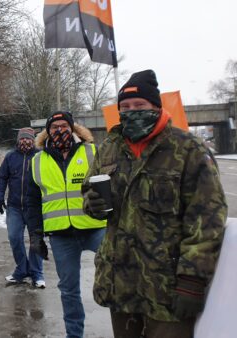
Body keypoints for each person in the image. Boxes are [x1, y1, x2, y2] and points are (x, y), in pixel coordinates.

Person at [83, 70, 226, 338]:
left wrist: (192, 280)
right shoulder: (110, 148)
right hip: (120, 284)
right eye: (124, 107)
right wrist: (92, 204)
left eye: (140, 106)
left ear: (156, 107)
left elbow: (207, 219)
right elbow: (89, 195)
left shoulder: (188, 150)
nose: (131, 112)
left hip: (167, 288)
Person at [26, 111, 107, 338]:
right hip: (61, 235)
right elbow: (32, 202)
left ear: (72, 129)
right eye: (53, 127)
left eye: (63, 126)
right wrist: (35, 235)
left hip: (96, 227)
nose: (58, 130)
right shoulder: (37, 160)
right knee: (69, 290)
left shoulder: (92, 152)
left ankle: (128, 325)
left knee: (117, 274)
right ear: (47, 132)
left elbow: (110, 187)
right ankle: (74, 334)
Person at [0, 127, 45, 288]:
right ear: (18, 140)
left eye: (28, 138)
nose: (25, 141)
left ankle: (37, 273)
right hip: (14, 207)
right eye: (22, 139)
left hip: (35, 206)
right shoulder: (10, 156)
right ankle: (21, 270)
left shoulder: (41, 156)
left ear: (33, 140)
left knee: (36, 240)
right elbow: (2, 177)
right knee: (14, 238)